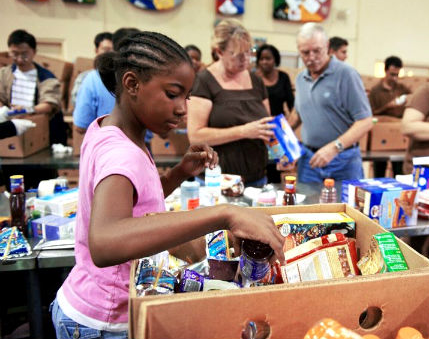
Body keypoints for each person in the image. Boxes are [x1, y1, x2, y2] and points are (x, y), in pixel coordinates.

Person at [51, 31, 284, 338]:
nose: (182, 109)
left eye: (185, 97)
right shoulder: (122, 152)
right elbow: (105, 242)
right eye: (172, 94)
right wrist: (224, 214)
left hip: (90, 301)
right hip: (106, 317)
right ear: (132, 84)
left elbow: (135, 205)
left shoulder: (114, 130)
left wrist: (179, 173)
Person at [187, 19, 273, 187]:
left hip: (257, 179)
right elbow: (195, 137)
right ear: (219, 52)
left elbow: (267, 127)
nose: (246, 59)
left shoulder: (256, 81)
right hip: (216, 183)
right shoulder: (203, 82)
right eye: (239, 55)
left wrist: (282, 152)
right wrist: (244, 131)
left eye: (250, 52)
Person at [289, 23, 373, 183]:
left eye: (317, 51)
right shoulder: (300, 79)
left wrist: (334, 148)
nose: (311, 57)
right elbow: (298, 114)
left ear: (327, 46)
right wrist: (281, 141)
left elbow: (365, 121)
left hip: (343, 161)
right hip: (309, 161)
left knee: (347, 206)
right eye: (305, 52)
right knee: (309, 207)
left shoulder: (346, 75)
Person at [0, 29, 66, 144]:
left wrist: (27, 110)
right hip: (11, 128)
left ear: (34, 52)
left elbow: (49, 104)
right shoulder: (4, 74)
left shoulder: (46, 77)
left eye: (24, 54)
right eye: (15, 54)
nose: (20, 59)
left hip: (38, 126)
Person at [73, 28, 139, 135]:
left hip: (106, 145)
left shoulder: (93, 79)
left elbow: (81, 126)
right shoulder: (148, 79)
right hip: (142, 148)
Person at [255, 44, 295, 183]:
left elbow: (292, 103)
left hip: (278, 129)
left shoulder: (283, 77)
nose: (264, 62)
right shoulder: (254, 78)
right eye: (261, 59)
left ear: (275, 60)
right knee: (258, 166)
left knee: (275, 168)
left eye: (268, 58)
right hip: (258, 128)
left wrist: (290, 127)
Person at [70, 32, 113, 109]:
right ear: (96, 51)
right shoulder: (84, 77)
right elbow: (76, 101)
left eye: (113, 50)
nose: (110, 54)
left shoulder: (121, 77)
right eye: (106, 50)